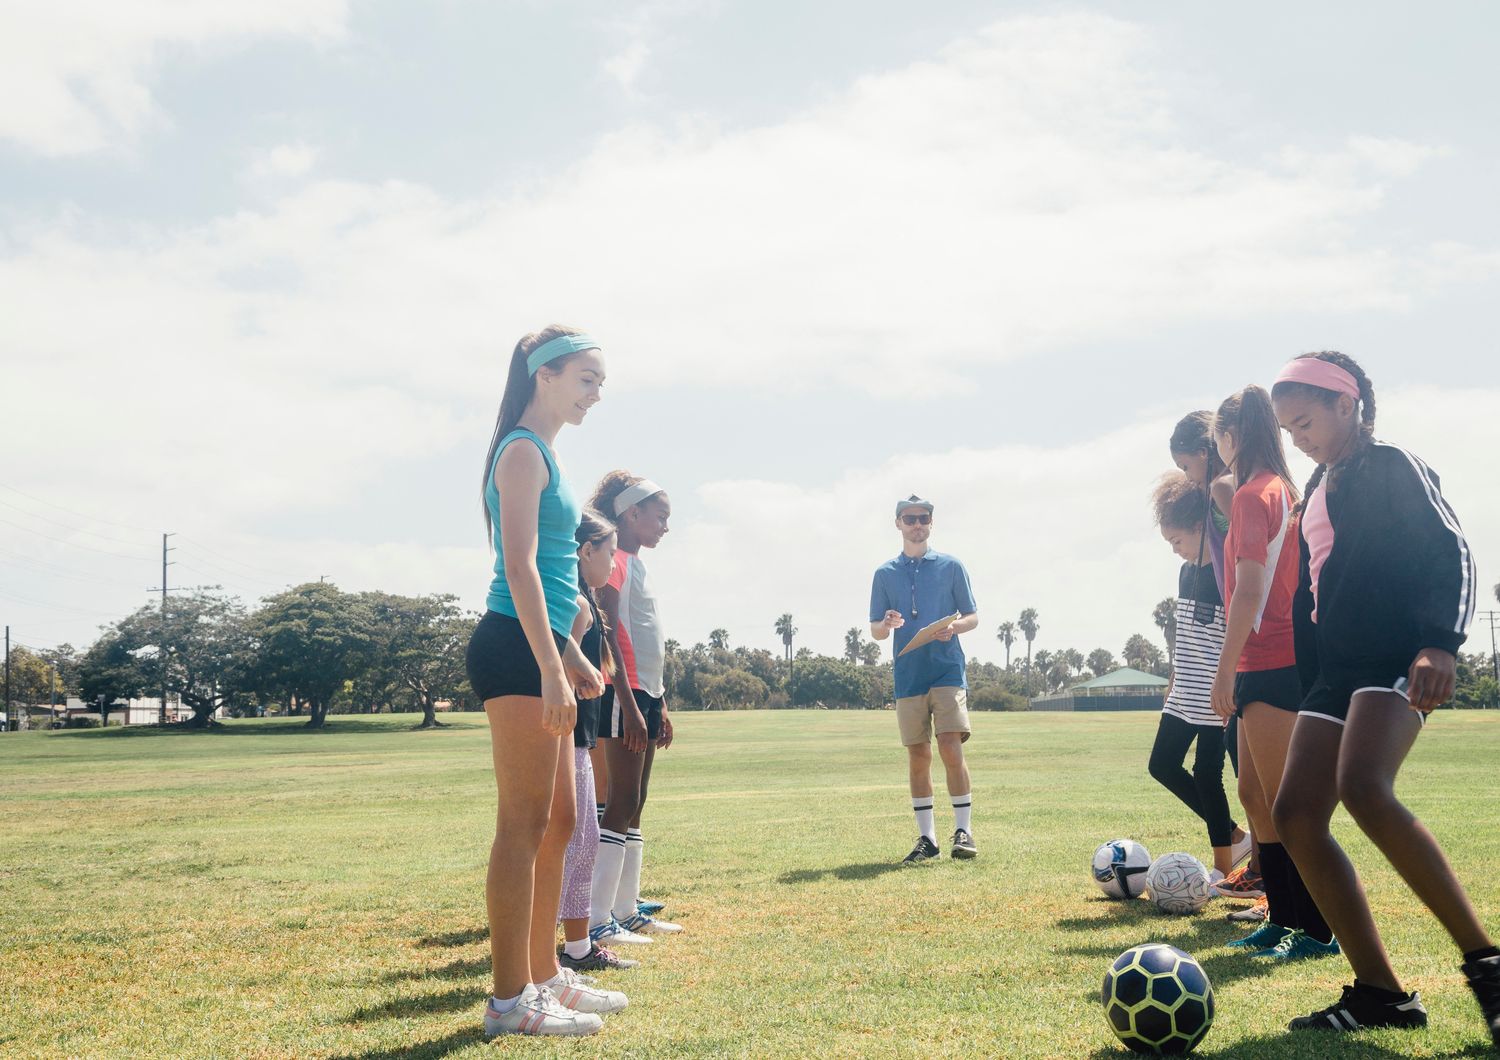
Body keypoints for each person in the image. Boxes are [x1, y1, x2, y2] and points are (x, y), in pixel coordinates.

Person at [1264, 352, 1497, 1040]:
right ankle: (1381, 994)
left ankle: (1487, 964)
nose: (1299, 437)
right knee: (1297, 813)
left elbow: (1451, 550)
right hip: (1336, 670)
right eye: (1288, 429)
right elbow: (1315, 587)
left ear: (1349, 404)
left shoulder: (1393, 465)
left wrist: (1440, 642)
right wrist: (1310, 670)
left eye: (1306, 421)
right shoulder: (1322, 480)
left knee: (1365, 787)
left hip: (1400, 653)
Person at [465, 326, 627, 1038]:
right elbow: (521, 568)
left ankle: (543, 975)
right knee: (524, 826)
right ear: (547, 377)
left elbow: (553, 576)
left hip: (542, 647)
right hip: (514, 651)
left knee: (561, 822)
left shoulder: (547, 454)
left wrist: (573, 653)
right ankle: (508, 1003)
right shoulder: (523, 452)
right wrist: (552, 666)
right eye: (587, 379)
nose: (596, 394)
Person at [1210, 384, 1337, 962]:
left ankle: (1315, 930)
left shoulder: (1251, 495)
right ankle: (1283, 918)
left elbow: (1250, 589)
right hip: (1273, 659)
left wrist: (1225, 668)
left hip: (1270, 659)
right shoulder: (1278, 488)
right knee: (1253, 793)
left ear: (1231, 437)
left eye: (1218, 439)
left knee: (1285, 803)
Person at [1170, 412, 1266, 915]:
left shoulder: (1227, 490)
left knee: (1255, 780)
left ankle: (1274, 884)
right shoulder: (1220, 494)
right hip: (1241, 648)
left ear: (1207, 452)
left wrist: (1230, 661)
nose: (1188, 477)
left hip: (1251, 648)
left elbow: (1247, 574)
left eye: (1187, 465)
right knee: (1244, 776)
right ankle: (1261, 876)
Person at [587, 471, 683, 945]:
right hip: (621, 694)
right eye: (660, 516)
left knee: (636, 802)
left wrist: (658, 702)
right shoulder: (615, 562)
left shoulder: (635, 562)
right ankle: (597, 919)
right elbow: (609, 637)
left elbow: (647, 642)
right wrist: (627, 700)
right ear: (632, 514)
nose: (665, 526)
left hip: (645, 695)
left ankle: (626, 910)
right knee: (620, 801)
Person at [1148, 474, 1251, 880]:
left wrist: (1227, 680)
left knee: (1208, 775)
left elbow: (1236, 630)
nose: (1176, 551)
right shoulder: (1185, 573)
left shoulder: (1225, 571)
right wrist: (1174, 673)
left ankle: (1223, 868)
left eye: (1177, 541)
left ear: (1198, 527)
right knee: (1162, 765)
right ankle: (1235, 837)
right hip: (1186, 687)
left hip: (1217, 691)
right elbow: (1185, 631)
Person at [869, 495, 980, 865]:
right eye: (909, 518)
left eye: (923, 518)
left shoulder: (951, 566)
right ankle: (927, 839)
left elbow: (973, 617)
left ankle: (964, 831)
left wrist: (954, 626)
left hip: (947, 669)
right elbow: (876, 632)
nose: (917, 524)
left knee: (950, 745)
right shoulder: (884, 574)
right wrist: (885, 624)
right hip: (908, 675)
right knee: (918, 755)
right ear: (898, 523)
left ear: (931, 523)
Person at [558, 509, 640, 975]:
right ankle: (575, 948)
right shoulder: (576, 604)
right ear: (586, 551)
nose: (613, 563)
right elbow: (556, 667)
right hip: (567, 738)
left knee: (582, 838)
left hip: (579, 737)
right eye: (608, 552)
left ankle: (576, 945)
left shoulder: (583, 598)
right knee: (579, 839)